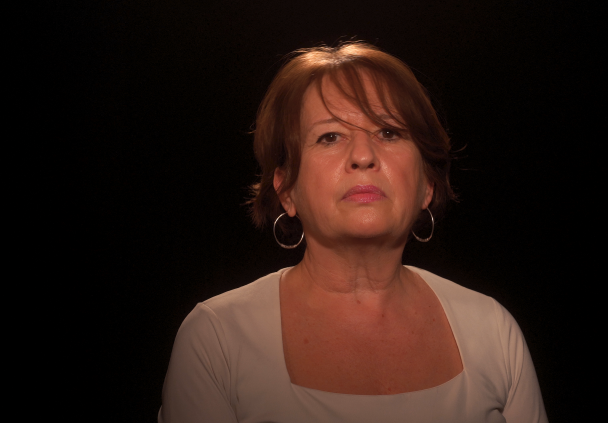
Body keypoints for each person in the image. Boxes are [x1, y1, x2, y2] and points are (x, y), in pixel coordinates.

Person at [159, 42, 547, 423]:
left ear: (427, 186)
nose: (363, 156)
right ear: (286, 190)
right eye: (330, 136)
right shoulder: (216, 339)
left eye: (389, 133)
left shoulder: (493, 331)